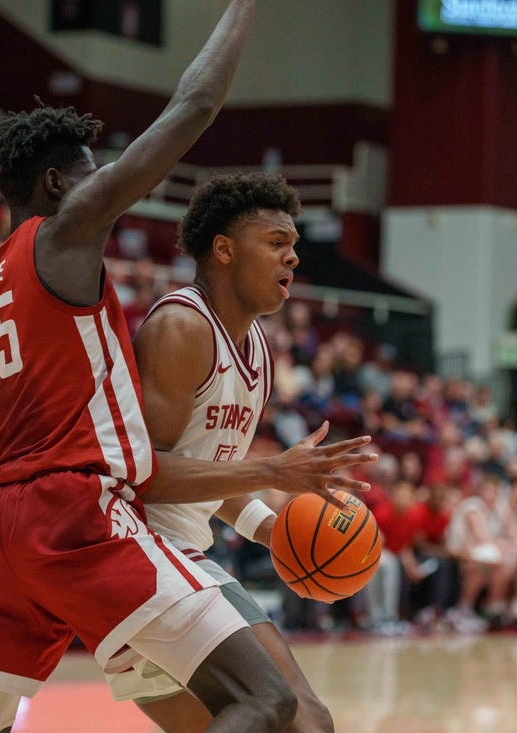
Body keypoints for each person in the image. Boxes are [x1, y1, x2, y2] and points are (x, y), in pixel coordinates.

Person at [0, 3, 374, 732]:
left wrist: (21, 467)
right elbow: (196, 103)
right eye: (93, 177)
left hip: (1, 529)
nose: (106, 189)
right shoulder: (64, 237)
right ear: (60, 187)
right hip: (81, 513)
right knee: (270, 704)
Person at [104, 171, 335, 732]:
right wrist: (275, 469)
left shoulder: (255, 346)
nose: (293, 258)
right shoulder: (182, 328)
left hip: (174, 564)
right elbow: (143, 478)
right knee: (301, 718)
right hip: (139, 556)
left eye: (294, 246)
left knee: (271, 724)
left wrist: (271, 531)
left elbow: (213, 474)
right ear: (225, 250)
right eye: (277, 243)